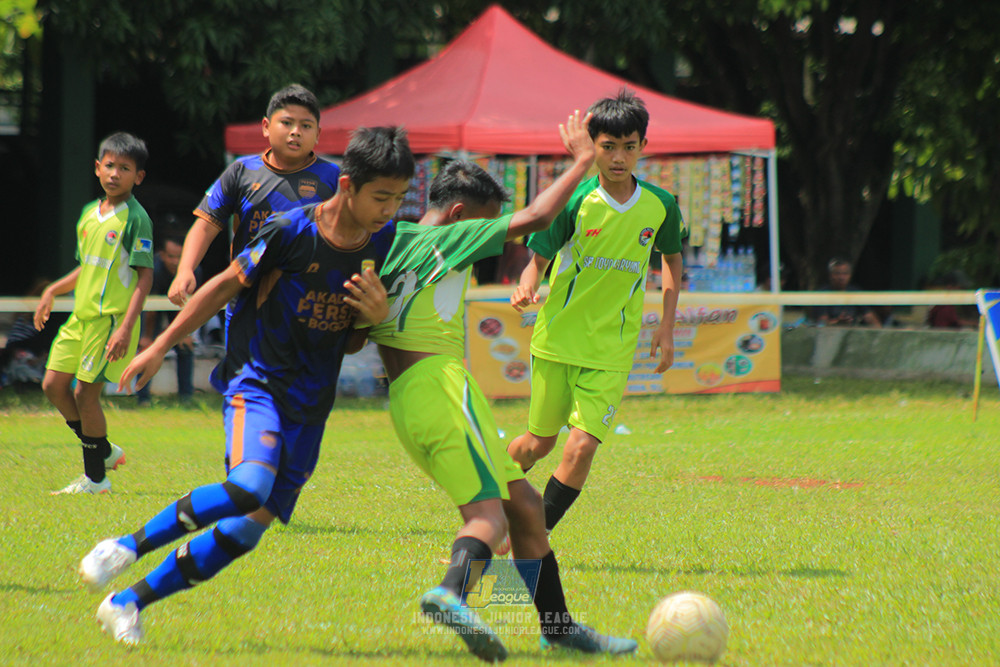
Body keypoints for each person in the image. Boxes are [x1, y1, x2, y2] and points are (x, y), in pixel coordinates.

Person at [77, 126, 411, 646]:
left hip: (310, 403)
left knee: (247, 530)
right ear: (347, 185)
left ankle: (127, 602)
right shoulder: (292, 229)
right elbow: (224, 285)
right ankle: (124, 545)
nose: (391, 209)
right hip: (258, 381)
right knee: (249, 485)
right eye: (382, 196)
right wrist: (159, 345)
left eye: (400, 197)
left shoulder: (385, 242)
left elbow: (349, 343)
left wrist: (371, 319)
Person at [370, 111, 637, 661]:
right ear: (463, 215)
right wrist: (582, 161)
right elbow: (539, 216)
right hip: (440, 386)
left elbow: (354, 337)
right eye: (486, 228)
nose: (489, 243)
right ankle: (452, 591)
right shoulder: (450, 236)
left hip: (407, 400)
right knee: (489, 513)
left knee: (527, 504)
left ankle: (558, 628)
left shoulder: (387, 242)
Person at [506, 89, 686, 533]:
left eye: (629, 146)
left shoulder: (660, 205)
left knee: (581, 447)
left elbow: (671, 262)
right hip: (558, 340)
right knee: (537, 445)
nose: (619, 157)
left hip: (612, 348)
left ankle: (534, 534)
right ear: (593, 147)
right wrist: (528, 283)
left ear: (643, 146)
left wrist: (666, 328)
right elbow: (539, 258)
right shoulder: (576, 200)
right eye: (608, 147)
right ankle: (489, 495)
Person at [33, 132, 155, 495]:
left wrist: (126, 328)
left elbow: (145, 276)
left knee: (86, 394)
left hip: (110, 321)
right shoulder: (89, 213)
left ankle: (96, 479)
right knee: (53, 386)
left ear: (139, 177)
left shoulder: (136, 219)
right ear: (97, 168)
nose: (116, 173)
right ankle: (102, 449)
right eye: (110, 165)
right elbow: (86, 267)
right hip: (80, 318)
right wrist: (53, 289)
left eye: (125, 168)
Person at [168, 83, 339, 308]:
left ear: (318, 134)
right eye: (286, 123)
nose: (295, 131)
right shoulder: (241, 171)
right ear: (266, 127)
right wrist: (184, 270)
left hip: (308, 305)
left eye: (306, 126)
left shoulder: (334, 177)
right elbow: (205, 225)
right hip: (245, 302)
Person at [136, 236, 201, 404]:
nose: (175, 262)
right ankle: (142, 398)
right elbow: (151, 309)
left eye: (179, 257)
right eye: (171, 256)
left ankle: (186, 398)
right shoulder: (154, 271)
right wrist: (147, 337)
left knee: (186, 346)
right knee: (146, 348)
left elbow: (195, 306)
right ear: (161, 255)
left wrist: (186, 333)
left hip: (181, 307)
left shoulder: (195, 271)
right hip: (151, 308)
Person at [809, 257, 881, 327]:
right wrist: (838, 322)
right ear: (830, 275)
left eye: (845, 273)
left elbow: (870, 317)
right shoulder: (822, 294)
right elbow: (822, 324)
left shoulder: (855, 292)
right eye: (837, 273)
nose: (841, 277)